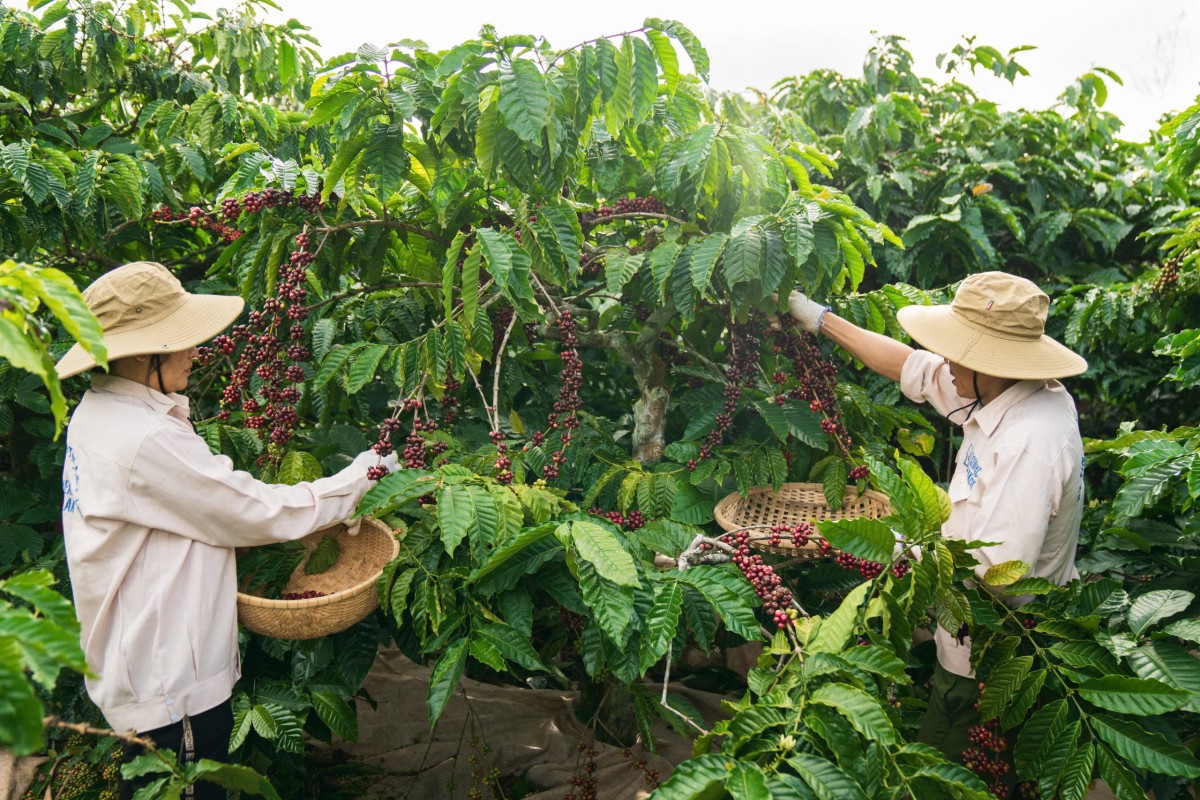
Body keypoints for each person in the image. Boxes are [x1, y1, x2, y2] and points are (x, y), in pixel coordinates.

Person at [56, 262, 398, 800]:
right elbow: (254, 510)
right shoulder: (142, 439)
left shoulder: (98, 413)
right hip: (171, 691)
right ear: (146, 354)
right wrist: (362, 477)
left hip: (140, 672)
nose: (196, 352)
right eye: (183, 341)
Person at [786, 271, 1087, 766]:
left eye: (955, 351)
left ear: (987, 359)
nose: (945, 360)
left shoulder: (1028, 445)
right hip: (971, 632)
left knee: (944, 772)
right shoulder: (1003, 389)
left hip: (988, 660)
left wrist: (880, 544)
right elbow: (913, 367)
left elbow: (992, 574)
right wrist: (816, 318)